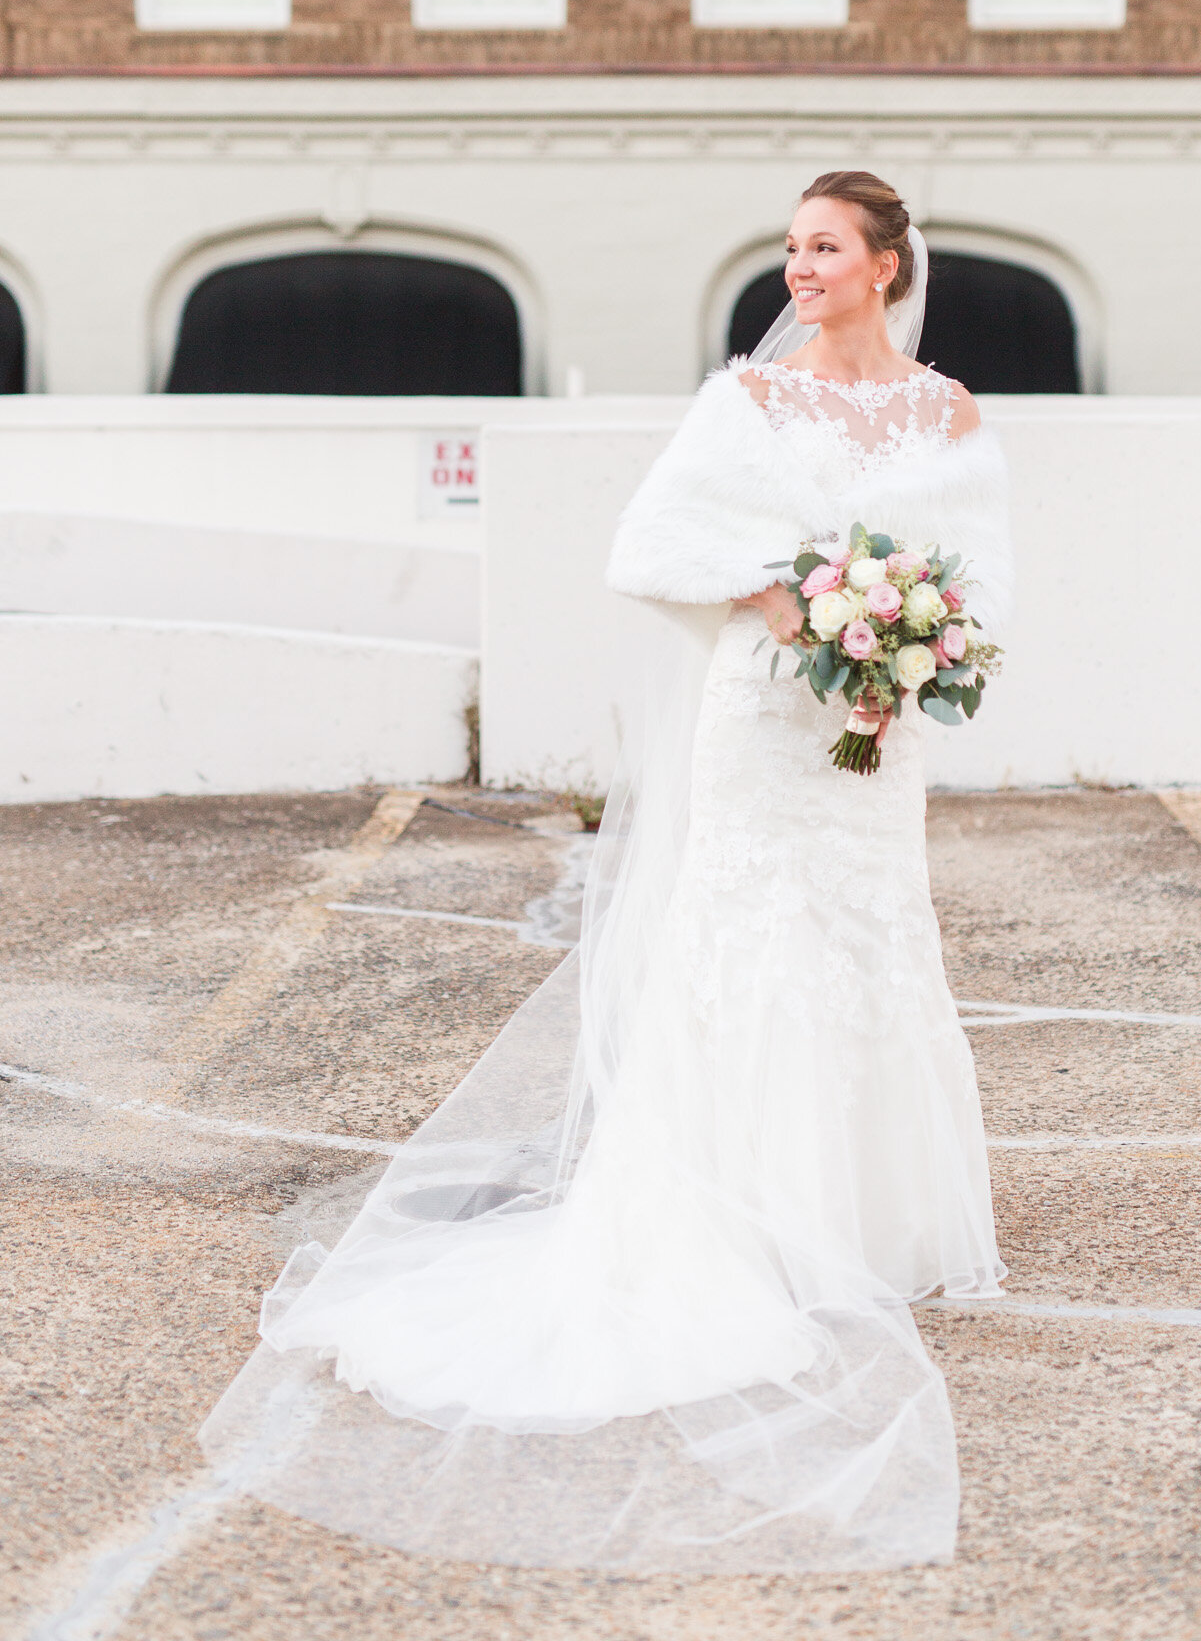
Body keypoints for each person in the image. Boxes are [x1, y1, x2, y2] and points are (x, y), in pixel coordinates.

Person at [202, 171, 1014, 1573]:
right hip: (762, 717)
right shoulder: (745, 405)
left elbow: (978, 567)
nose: (797, 269)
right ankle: (737, 1215)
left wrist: (914, 645)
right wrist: (792, 602)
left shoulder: (947, 412)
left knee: (871, 937)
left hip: (875, 729)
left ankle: (861, 1220)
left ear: (887, 265)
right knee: (751, 940)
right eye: (788, 249)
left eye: (823, 249)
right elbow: (651, 548)